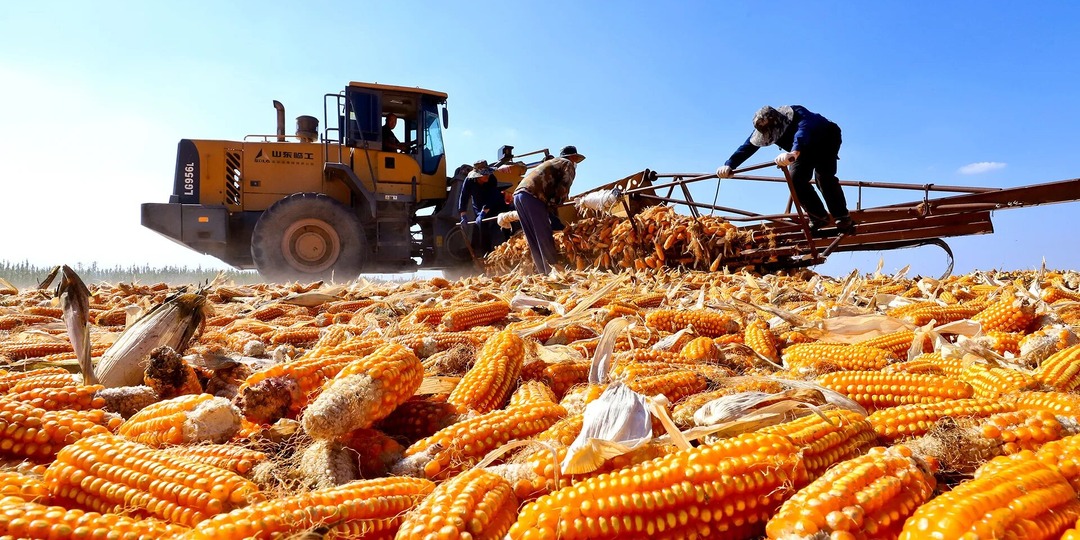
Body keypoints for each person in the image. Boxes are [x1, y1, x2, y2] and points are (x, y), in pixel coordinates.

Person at [717, 105, 854, 233]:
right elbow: (747, 147)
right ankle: (818, 217)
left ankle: (842, 217)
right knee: (795, 180)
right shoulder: (763, 127)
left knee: (823, 177)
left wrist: (794, 153)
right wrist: (729, 164)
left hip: (825, 139)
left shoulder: (799, 114)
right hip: (800, 149)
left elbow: (803, 132)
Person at [513, 145, 585, 274]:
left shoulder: (551, 163)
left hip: (519, 195)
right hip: (533, 195)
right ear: (573, 157)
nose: (576, 163)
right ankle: (553, 271)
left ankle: (542, 272)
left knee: (532, 236)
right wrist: (557, 204)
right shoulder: (567, 163)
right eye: (576, 159)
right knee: (543, 234)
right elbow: (563, 187)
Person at [458, 160, 514, 256]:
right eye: (485, 174)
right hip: (478, 207)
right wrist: (463, 215)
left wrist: (484, 212)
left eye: (488, 173)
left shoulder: (492, 179)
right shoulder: (469, 181)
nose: (488, 176)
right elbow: (464, 197)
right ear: (478, 176)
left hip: (495, 204)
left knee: (505, 224)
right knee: (483, 231)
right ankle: (487, 255)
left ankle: (510, 247)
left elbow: (491, 198)